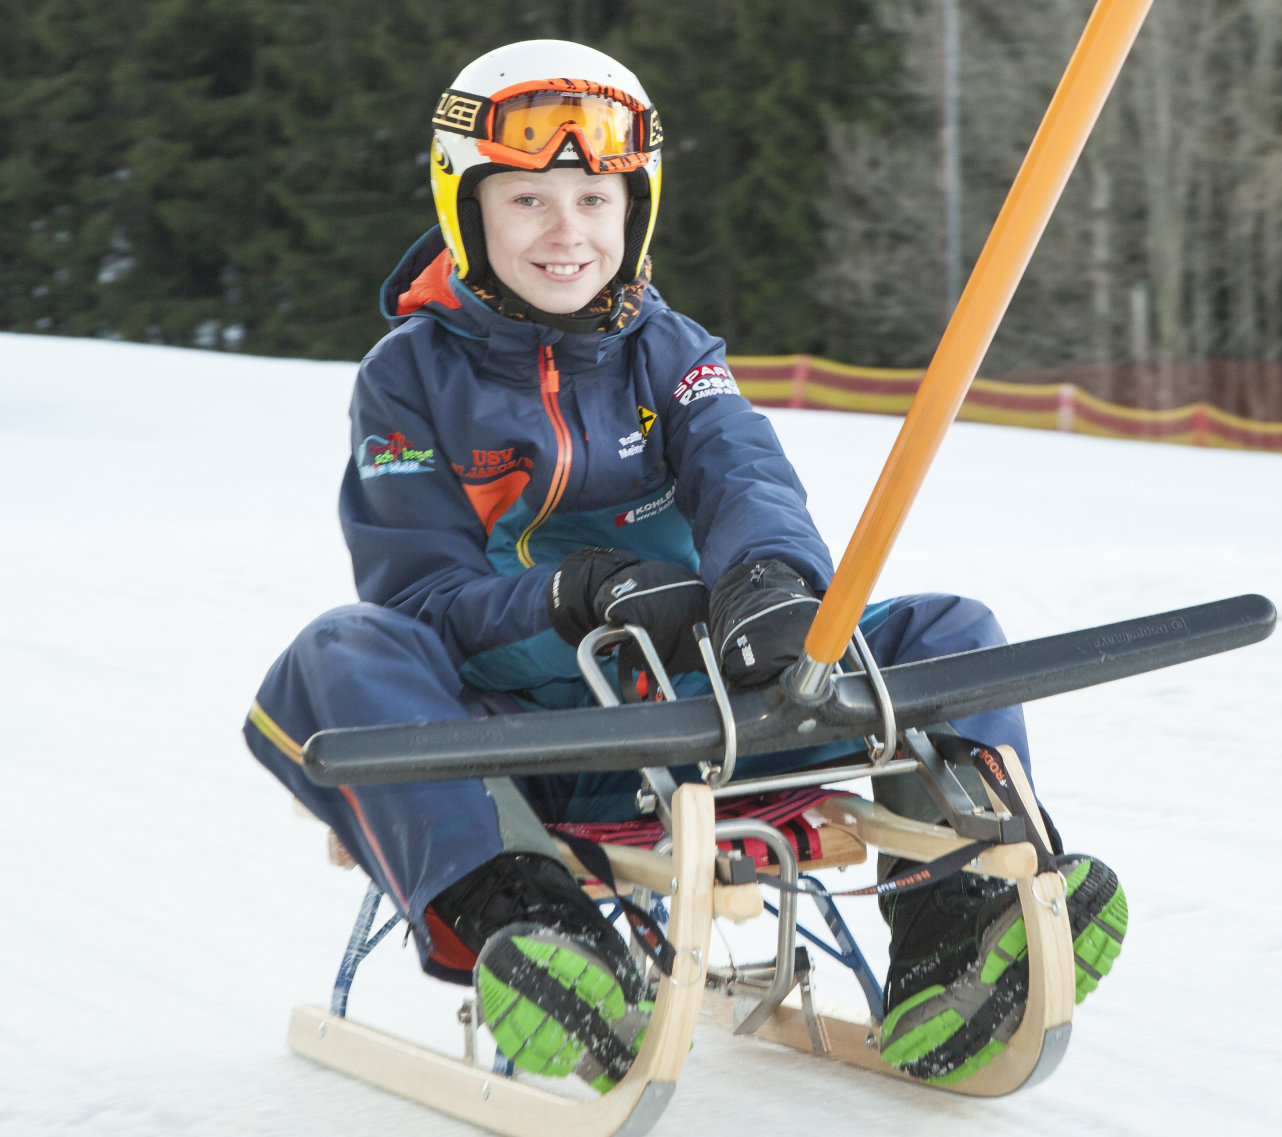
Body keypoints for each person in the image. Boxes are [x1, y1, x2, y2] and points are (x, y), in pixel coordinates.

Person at [243, 39, 1125, 1090]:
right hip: (534, 739)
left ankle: (961, 930)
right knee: (339, 653)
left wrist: (771, 584)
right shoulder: (410, 381)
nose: (566, 232)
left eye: (595, 199)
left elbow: (742, 472)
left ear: (636, 210)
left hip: (717, 711)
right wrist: (573, 595)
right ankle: (535, 930)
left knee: (949, 632)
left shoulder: (672, 350)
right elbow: (421, 599)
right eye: (527, 201)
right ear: (466, 212)